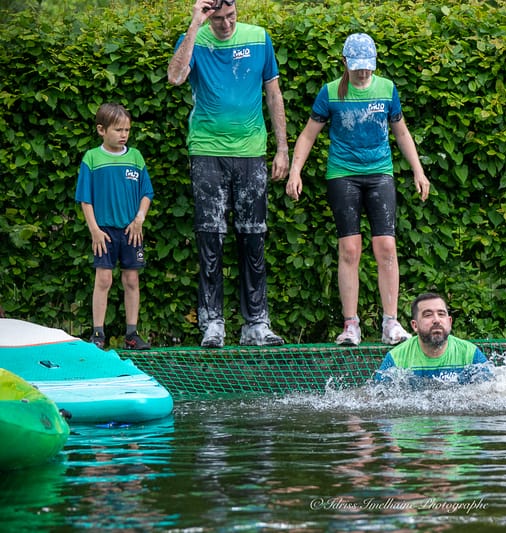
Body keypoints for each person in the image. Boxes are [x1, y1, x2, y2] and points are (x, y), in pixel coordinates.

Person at [285, 33, 430, 347]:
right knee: (350, 250)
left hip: (379, 173)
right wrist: (295, 171)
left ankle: (391, 323)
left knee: (386, 248)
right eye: (357, 67)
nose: (364, 72)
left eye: (368, 66)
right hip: (343, 174)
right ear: (345, 62)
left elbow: (401, 132)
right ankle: (351, 325)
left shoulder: (387, 89)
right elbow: (308, 135)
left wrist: (419, 171)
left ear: (375, 63)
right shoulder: (329, 93)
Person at [167, 0, 289, 348]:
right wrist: (194, 23)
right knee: (210, 237)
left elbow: (273, 94)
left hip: (251, 151)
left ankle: (256, 324)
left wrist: (282, 148)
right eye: (217, 18)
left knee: (253, 236)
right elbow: (175, 78)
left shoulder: (258, 38)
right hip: (207, 150)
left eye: (230, 16)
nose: (225, 24)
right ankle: (212, 323)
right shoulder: (196, 38)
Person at [75, 103, 154, 350]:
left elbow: (147, 193)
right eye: (118, 130)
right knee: (104, 279)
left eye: (127, 130)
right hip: (104, 232)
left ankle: (132, 334)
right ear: (101, 130)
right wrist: (95, 231)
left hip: (132, 231)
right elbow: (85, 199)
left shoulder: (136, 157)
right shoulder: (91, 158)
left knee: (131, 280)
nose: (124, 135)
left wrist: (139, 218)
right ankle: (98, 335)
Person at [373, 292, 492, 384]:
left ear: (449, 322)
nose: (436, 320)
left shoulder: (469, 353)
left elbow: (492, 391)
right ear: (415, 325)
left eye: (441, 314)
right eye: (428, 315)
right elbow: (377, 398)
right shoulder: (396, 358)